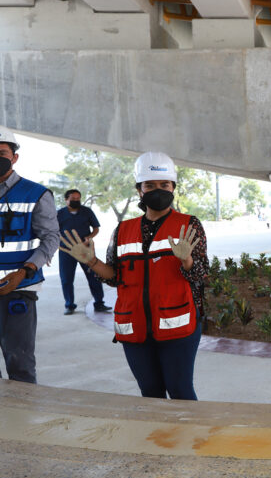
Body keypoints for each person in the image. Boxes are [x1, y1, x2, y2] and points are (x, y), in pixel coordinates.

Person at [60, 152, 209, 400]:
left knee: (181, 391)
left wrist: (186, 259)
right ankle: (158, 439)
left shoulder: (188, 224)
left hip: (178, 324)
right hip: (134, 326)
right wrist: (91, 262)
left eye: (164, 185)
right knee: (150, 393)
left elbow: (200, 273)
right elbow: (114, 277)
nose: (157, 190)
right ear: (140, 190)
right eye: (150, 185)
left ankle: (189, 440)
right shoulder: (124, 229)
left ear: (173, 188)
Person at [0, 126, 59, 384]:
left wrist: (25, 272)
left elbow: (51, 238)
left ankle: (21, 423)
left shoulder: (36, 193)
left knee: (20, 364)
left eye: (1, 152)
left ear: (14, 157)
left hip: (18, 289)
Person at [57, 189, 111, 315]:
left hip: (86, 250)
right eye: (73, 199)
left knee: (94, 276)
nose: (76, 201)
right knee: (66, 279)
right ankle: (69, 305)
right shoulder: (59, 214)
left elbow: (96, 228)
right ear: (66, 199)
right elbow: (54, 231)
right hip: (67, 251)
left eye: (78, 199)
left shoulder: (87, 211)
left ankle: (99, 303)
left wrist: (90, 237)